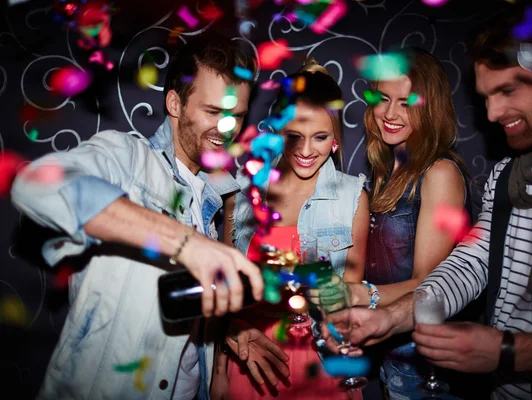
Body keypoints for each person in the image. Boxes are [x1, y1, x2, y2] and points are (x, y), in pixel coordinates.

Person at [322, 3, 532, 399]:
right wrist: (386, 319)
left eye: (507, 91)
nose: (492, 112)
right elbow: (465, 269)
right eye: (486, 96)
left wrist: (506, 352)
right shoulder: (504, 177)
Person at [10, 32, 266, 400]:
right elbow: (35, 184)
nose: (226, 129)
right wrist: (185, 242)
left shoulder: (223, 200)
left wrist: (225, 330)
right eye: (214, 112)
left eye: (237, 117)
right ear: (175, 104)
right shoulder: (128, 157)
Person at [212, 60, 370, 399]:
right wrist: (219, 371)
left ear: (337, 138)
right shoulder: (242, 195)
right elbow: (226, 294)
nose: (306, 150)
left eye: (321, 137)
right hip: (253, 359)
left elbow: (352, 297)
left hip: (322, 364)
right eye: (294, 136)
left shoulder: (353, 197)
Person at [346, 47, 471, 399]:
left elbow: (430, 285)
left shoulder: (440, 172)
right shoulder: (387, 170)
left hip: (426, 367)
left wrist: (362, 294)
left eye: (406, 102)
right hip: (391, 353)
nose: (389, 112)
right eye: (383, 98)